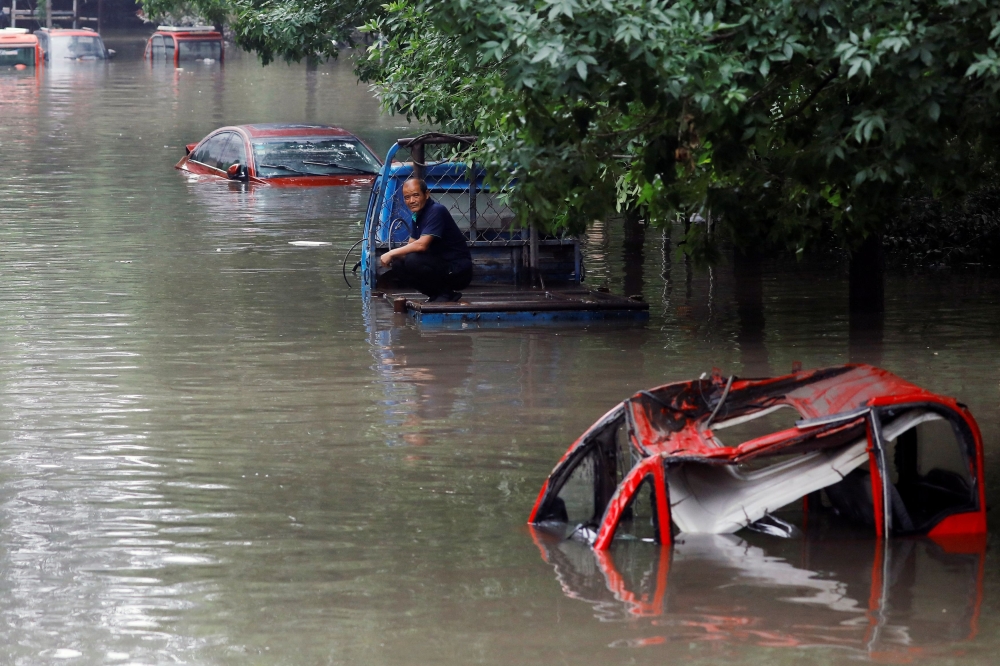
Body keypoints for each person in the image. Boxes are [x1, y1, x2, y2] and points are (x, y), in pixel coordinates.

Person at [379, 177, 473, 302]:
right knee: (398, 264)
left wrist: (391, 252)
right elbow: (412, 245)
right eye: (407, 197)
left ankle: (445, 293)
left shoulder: (436, 211)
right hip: (440, 266)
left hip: (458, 270)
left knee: (413, 260)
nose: (411, 201)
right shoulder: (417, 215)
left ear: (426, 194)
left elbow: (421, 245)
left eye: (416, 195)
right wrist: (391, 259)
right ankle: (436, 294)